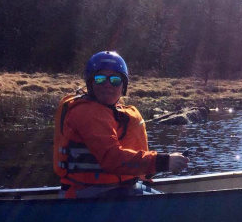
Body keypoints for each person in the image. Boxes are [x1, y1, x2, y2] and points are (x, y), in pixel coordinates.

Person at [53, 51, 189, 198]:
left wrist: (151, 168)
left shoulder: (114, 111)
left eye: (115, 80)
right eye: (100, 79)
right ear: (90, 83)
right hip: (89, 195)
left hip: (116, 189)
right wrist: (164, 161)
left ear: (123, 85)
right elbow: (112, 158)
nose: (107, 85)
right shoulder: (87, 112)